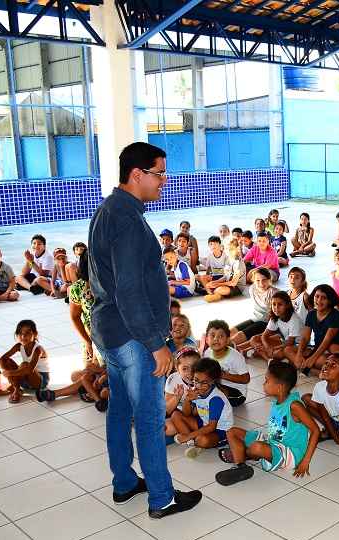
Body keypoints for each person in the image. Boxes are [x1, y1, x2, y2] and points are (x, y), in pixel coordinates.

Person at [87, 142, 201, 518]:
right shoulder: (127, 221)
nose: (165, 181)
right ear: (137, 175)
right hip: (133, 337)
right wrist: (157, 344)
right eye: (159, 173)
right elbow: (130, 290)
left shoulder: (109, 209)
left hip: (110, 331)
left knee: (120, 410)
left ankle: (124, 483)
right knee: (151, 418)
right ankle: (162, 497)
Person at [215, 360, 320, 485]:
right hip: (273, 441)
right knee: (232, 432)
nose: (263, 384)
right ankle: (241, 466)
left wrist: (305, 461)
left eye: (266, 380)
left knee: (257, 447)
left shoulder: (294, 406)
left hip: (290, 452)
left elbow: (315, 430)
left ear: (279, 387)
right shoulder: (278, 400)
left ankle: (242, 453)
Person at [166, 357, 234, 459]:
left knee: (203, 440)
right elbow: (187, 414)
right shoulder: (196, 390)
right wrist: (188, 400)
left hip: (220, 431)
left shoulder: (215, 399)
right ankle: (191, 442)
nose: (199, 385)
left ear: (213, 381)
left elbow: (212, 427)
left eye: (204, 382)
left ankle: (191, 439)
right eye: (196, 380)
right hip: (204, 423)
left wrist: (189, 435)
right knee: (175, 415)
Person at [0, 320, 49, 404]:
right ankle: (16, 387)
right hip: (25, 378)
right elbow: (1, 359)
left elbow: (30, 369)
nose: (23, 336)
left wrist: (11, 373)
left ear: (35, 334)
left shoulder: (38, 350)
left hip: (39, 381)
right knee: (6, 361)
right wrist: (6, 371)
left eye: (27, 333)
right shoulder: (18, 346)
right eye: (20, 333)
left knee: (25, 364)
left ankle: (16, 390)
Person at [202, 320, 250, 407]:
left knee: (214, 391)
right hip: (217, 386)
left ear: (228, 340)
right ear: (206, 339)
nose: (216, 339)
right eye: (212, 336)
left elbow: (246, 379)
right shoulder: (207, 353)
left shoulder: (235, 357)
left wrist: (224, 375)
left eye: (220, 336)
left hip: (237, 394)